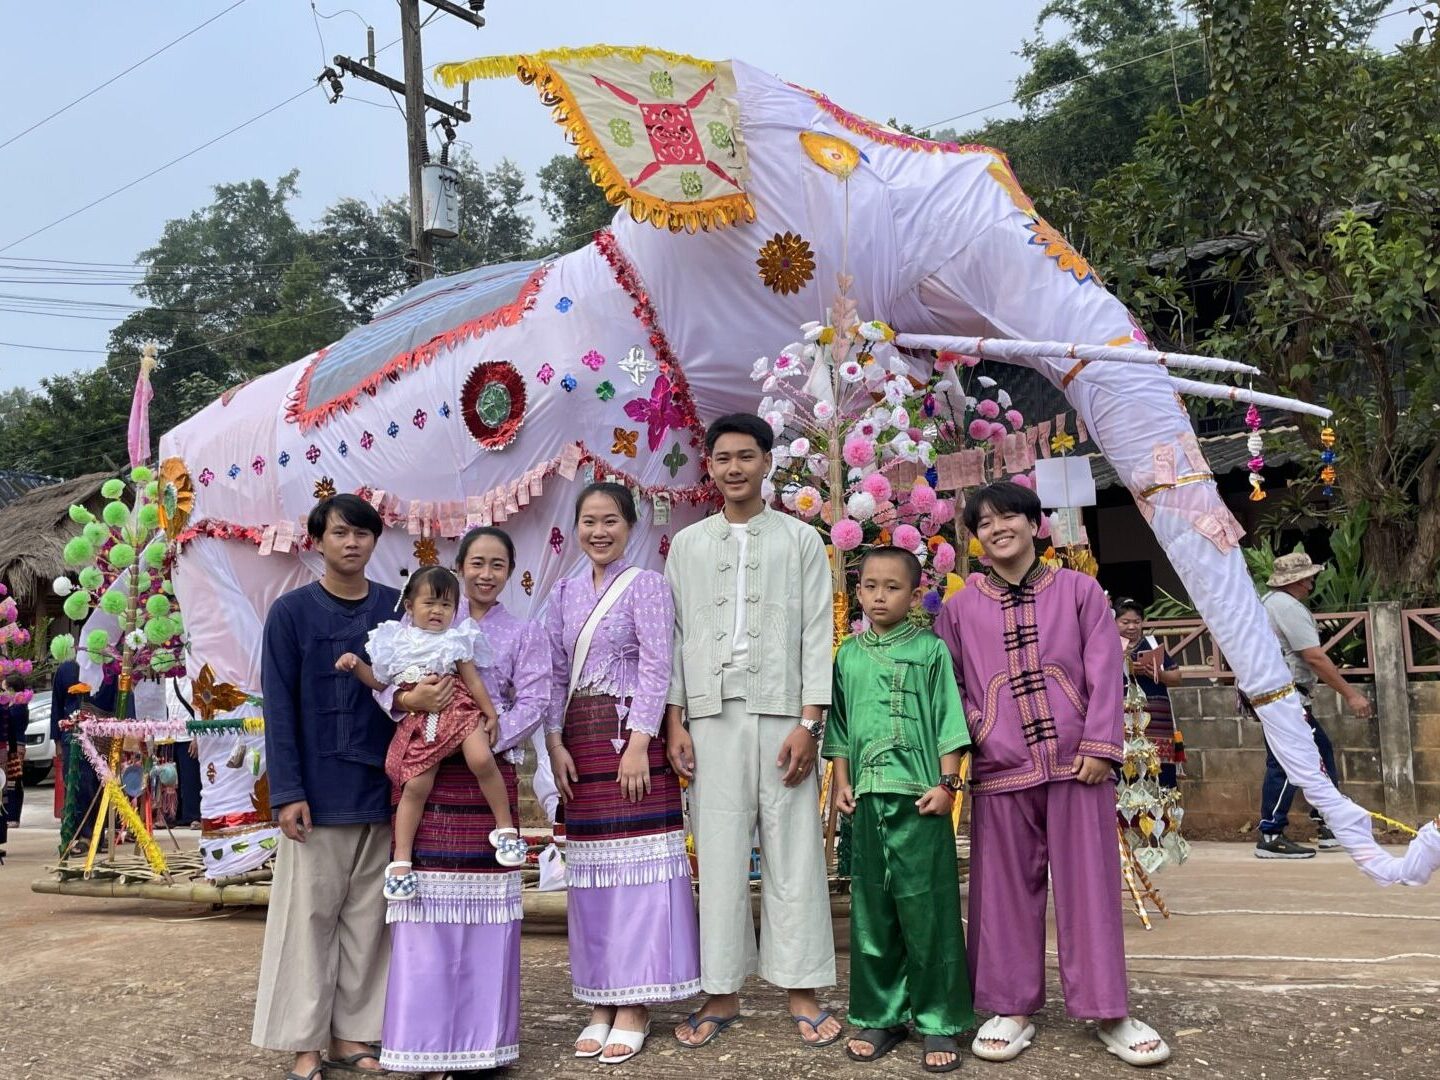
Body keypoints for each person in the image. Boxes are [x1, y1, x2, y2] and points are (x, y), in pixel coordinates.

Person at [934, 481, 1169, 1068]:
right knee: (1003, 890)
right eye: (984, 523)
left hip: (1078, 764)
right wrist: (982, 728)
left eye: (1008, 516)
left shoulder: (1081, 591)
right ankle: (1009, 1006)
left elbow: (1106, 669)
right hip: (999, 767)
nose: (997, 528)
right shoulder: (960, 608)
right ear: (975, 537)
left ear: (1035, 524)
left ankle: (1109, 1009)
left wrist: (1100, 744)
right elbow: (952, 686)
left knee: (1089, 888)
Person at [665, 414, 840, 1051]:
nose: (733, 468)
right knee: (717, 848)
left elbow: (819, 632)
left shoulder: (800, 540)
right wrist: (676, 718)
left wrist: (808, 722)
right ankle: (721, 989)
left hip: (783, 714)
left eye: (746, 456)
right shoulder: (687, 546)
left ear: (768, 463)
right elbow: (678, 637)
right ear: (708, 467)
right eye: (721, 458)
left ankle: (801, 988)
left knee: (793, 847)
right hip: (709, 716)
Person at [377, 526, 551, 1078]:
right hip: (427, 776)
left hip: (483, 772)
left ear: (509, 572)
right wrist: (410, 699)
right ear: (457, 567)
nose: (485, 573)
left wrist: (479, 737)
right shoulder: (414, 626)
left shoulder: (524, 634)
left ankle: (483, 1045)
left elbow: (537, 698)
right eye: (476, 562)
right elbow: (388, 689)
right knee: (426, 911)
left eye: (498, 564)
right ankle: (423, 1045)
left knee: (486, 922)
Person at [545, 482, 700, 1064]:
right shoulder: (561, 594)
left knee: (640, 874)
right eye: (589, 521)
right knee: (593, 878)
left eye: (611, 521)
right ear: (577, 527)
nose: (599, 532)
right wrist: (555, 742)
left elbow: (661, 664)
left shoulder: (647, 586)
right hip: (578, 744)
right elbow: (555, 673)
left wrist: (640, 743)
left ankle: (635, 1002)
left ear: (631, 526)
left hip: (631, 739)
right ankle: (602, 997)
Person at [251, 493, 399, 1080]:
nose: (352, 542)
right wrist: (287, 792)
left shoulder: (394, 610)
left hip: (383, 790)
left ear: (374, 541)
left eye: (362, 533)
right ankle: (304, 1042)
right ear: (317, 541)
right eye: (340, 532)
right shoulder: (290, 614)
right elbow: (279, 710)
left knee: (370, 921)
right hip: (315, 794)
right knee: (306, 922)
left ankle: (353, 1036)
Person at [823, 547, 974, 1072]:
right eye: (869, 586)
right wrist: (840, 782)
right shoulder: (848, 654)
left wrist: (948, 783)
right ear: (858, 591)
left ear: (914, 596)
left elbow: (949, 719)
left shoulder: (931, 651)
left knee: (928, 911)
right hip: (866, 796)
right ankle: (881, 1014)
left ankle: (939, 1019)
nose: (878, 596)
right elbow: (839, 725)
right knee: (872, 912)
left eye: (892, 587)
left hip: (921, 798)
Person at [337, 564, 524, 900]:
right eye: (430, 603)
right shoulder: (394, 639)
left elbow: (473, 680)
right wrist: (356, 665)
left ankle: (505, 828)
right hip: (420, 720)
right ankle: (402, 861)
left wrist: (491, 713)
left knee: (482, 758)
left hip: (461, 710)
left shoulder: (457, 639)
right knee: (415, 785)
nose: (438, 611)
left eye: (447, 605)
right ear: (409, 605)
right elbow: (380, 683)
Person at [1254, 551, 1372, 860]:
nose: (1312, 582)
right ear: (1297, 581)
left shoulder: (1271, 604)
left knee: (1319, 752)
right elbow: (1314, 656)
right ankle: (1271, 832)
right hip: (1286, 698)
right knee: (1285, 762)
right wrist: (1351, 694)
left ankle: (1329, 821)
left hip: (1283, 696)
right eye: (1308, 577)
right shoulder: (1288, 608)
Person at [1113, 599, 1183, 788]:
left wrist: (1157, 673)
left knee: (1161, 774)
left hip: (1157, 723)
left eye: (1136, 622)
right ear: (1114, 622)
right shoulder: (1107, 646)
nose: (1132, 627)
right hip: (1123, 722)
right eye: (1125, 622)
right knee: (1126, 773)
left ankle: (1165, 817)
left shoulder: (1152, 644)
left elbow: (1176, 677)